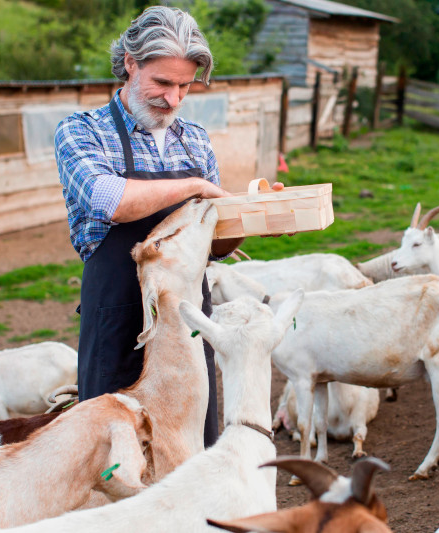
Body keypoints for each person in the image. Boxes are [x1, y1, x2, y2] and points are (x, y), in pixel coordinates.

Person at [54, 6, 280, 447]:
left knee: (191, 446)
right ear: (130, 63)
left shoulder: (194, 138)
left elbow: (217, 244)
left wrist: (256, 215)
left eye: (184, 86)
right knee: (113, 451)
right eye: (162, 82)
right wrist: (195, 185)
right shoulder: (82, 131)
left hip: (190, 323)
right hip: (119, 319)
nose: (173, 99)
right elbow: (111, 201)